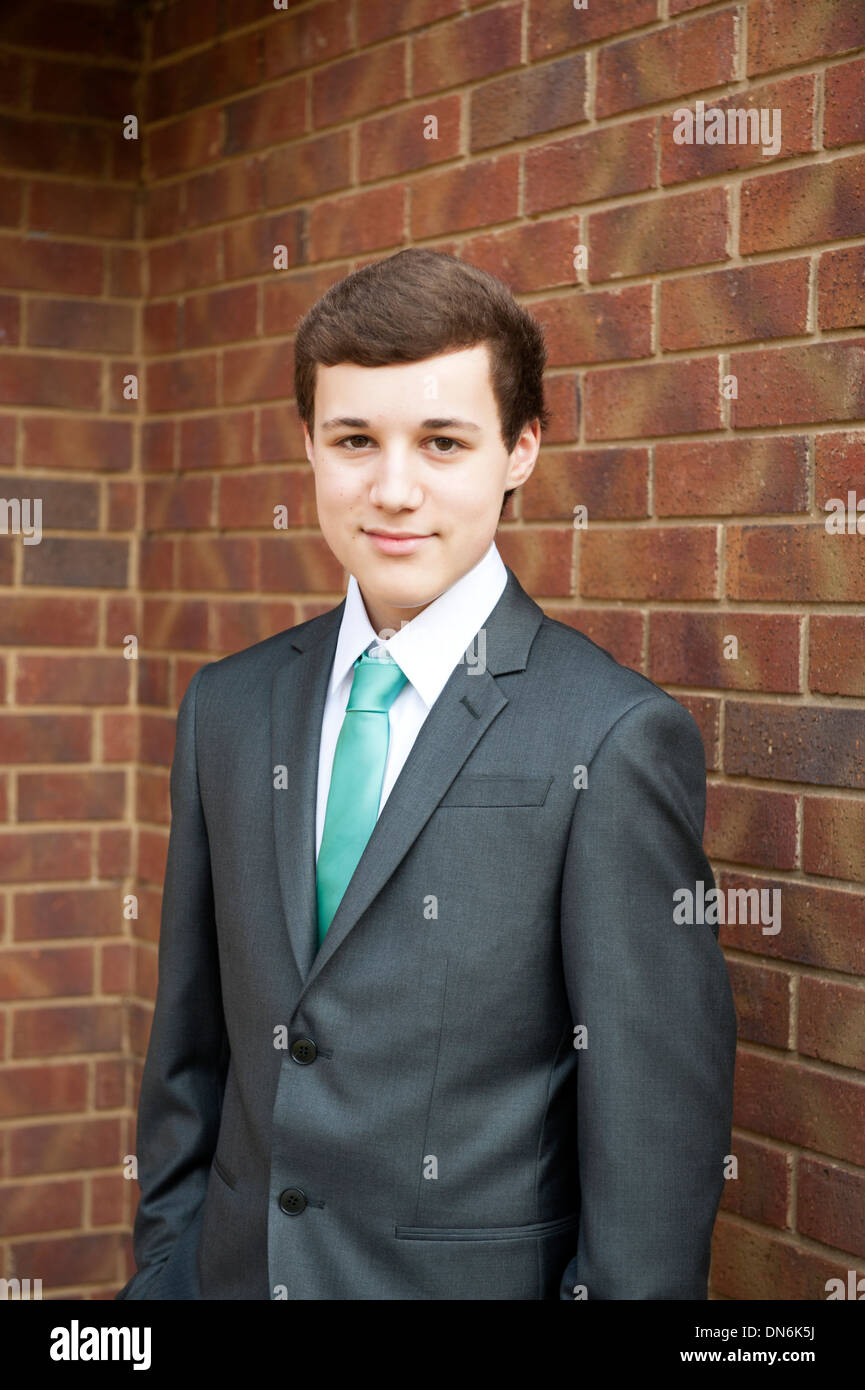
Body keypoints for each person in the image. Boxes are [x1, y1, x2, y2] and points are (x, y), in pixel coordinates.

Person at [117, 248, 737, 1301]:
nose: (392, 490)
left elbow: (652, 1156)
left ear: (519, 450)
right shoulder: (227, 708)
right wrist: (164, 1275)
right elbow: (189, 1053)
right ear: (308, 443)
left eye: (442, 442)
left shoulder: (613, 737)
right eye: (356, 439)